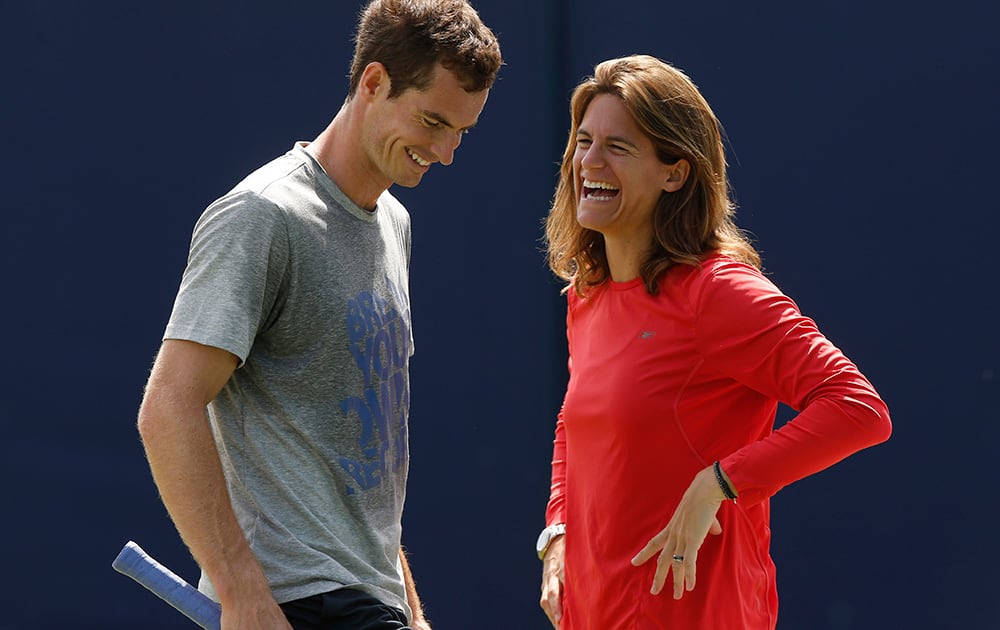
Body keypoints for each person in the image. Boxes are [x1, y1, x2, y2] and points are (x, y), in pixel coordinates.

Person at [135, 2, 501, 628]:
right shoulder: (261, 216)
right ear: (374, 82)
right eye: (433, 122)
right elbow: (168, 406)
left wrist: (410, 609)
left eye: (461, 132)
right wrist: (242, 591)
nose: (444, 153)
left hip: (368, 602)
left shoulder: (395, 224)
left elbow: (360, 461)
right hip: (296, 603)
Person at [536, 55, 891, 629]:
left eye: (617, 148)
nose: (588, 163)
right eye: (583, 141)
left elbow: (858, 408)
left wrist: (721, 483)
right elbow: (574, 425)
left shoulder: (718, 292)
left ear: (675, 172)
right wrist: (558, 532)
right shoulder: (587, 295)